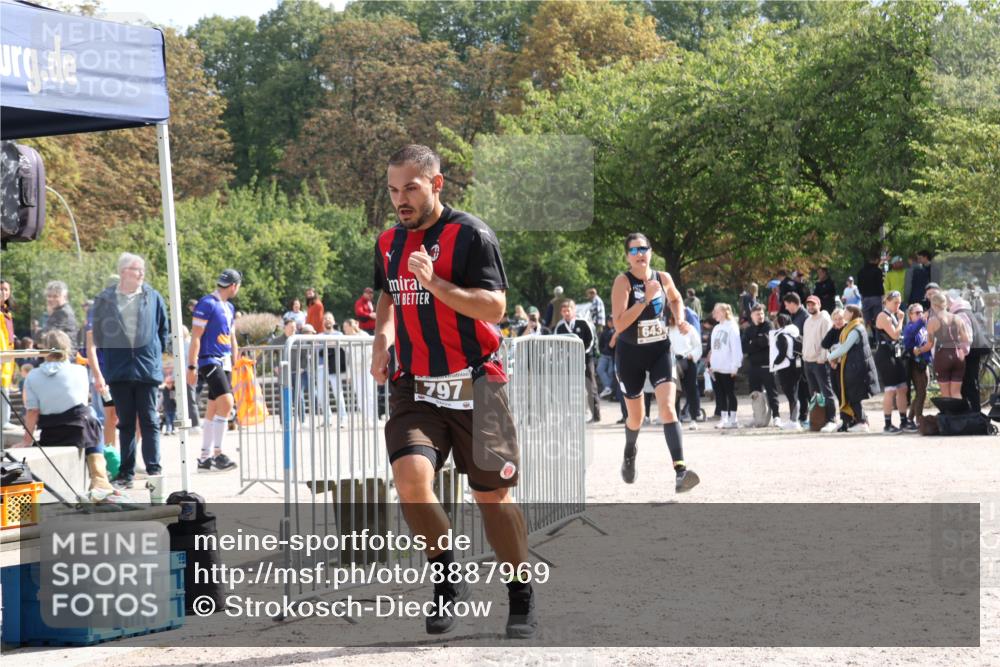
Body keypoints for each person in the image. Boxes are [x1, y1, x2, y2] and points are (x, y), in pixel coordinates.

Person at [372, 144, 536, 638]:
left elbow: (495, 308)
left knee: (494, 500)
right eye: (394, 190)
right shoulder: (387, 243)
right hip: (416, 388)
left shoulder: (470, 235)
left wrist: (437, 285)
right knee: (410, 481)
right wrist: (382, 337)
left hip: (478, 386)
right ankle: (447, 577)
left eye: (411, 189)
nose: (401, 200)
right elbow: (386, 293)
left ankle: (520, 593)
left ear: (436, 184)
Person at [610, 232, 699, 492]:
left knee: (668, 409)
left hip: (660, 350)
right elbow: (619, 323)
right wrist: (645, 300)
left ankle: (681, 471)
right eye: (634, 251)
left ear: (650, 252)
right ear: (627, 256)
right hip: (630, 356)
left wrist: (680, 318)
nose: (640, 254)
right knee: (636, 418)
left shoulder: (663, 278)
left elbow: (675, 298)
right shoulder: (623, 282)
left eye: (643, 249)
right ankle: (630, 451)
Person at [90, 253, 169, 489]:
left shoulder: (153, 296)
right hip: (120, 371)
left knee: (150, 421)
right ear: (124, 272)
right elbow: (100, 335)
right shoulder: (105, 300)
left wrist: (153, 355)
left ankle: (154, 470)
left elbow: (163, 329)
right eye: (137, 269)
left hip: (147, 370)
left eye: (143, 269)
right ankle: (126, 473)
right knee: (124, 423)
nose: (142, 273)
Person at [18, 330, 121, 501]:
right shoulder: (79, 371)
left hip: (51, 435)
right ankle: (100, 479)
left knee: (87, 417)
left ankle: (100, 481)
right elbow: (79, 403)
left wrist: (26, 441)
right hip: (79, 432)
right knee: (91, 415)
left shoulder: (32, 376)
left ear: (43, 349)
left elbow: (32, 412)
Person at [187, 269, 242, 473]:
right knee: (227, 403)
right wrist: (192, 365)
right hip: (209, 360)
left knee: (213, 408)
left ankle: (204, 458)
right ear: (235, 286)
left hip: (225, 360)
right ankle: (218, 454)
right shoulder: (207, 303)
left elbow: (232, 336)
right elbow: (196, 337)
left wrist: (235, 359)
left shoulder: (229, 306)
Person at [828, 305, 880, 432]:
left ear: (851, 313)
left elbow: (845, 347)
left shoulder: (856, 329)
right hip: (853, 367)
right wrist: (834, 350)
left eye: (845, 311)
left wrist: (830, 356)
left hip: (856, 368)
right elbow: (841, 345)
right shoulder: (852, 327)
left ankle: (862, 422)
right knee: (852, 395)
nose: (843, 313)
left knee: (853, 395)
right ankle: (860, 421)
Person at [873, 291, 914, 433]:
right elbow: (895, 334)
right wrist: (902, 320)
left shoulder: (892, 316)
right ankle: (887, 423)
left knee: (903, 388)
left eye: (899, 302)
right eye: (895, 302)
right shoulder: (883, 316)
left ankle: (903, 421)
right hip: (885, 355)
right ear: (887, 302)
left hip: (895, 353)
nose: (898, 305)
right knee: (890, 389)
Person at [553, 299, 600, 423]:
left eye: (568, 310)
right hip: (568, 361)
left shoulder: (583, 323)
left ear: (574, 310)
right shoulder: (560, 326)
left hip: (585, 358)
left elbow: (591, 340)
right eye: (563, 311)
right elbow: (556, 343)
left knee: (590, 385)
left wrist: (580, 353)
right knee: (569, 387)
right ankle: (571, 414)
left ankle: (596, 415)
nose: (566, 313)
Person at [921, 292, 969, 400]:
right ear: (946, 303)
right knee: (956, 392)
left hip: (943, 356)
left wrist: (919, 350)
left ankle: (949, 416)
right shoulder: (957, 318)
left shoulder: (932, 322)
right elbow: (966, 339)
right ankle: (958, 416)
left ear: (933, 305)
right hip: (958, 355)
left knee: (946, 394)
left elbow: (929, 344)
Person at [802, 296, 838, 432]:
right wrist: (805, 356)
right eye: (808, 305)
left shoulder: (825, 319)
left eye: (813, 304)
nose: (810, 307)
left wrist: (822, 358)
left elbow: (826, 340)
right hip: (808, 361)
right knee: (814, 394)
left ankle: (831, 419)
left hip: (820, 362)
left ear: (819, 304)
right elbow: (806, 340)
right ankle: (818, 419)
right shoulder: (807, 321)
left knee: (826, 391)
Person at [743, 304, 781, 426]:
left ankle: (776, 417)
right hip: (754, 366)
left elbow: (766, 341)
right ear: (752, 315)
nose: (760, 316)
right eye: (758, 314)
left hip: (767, 366)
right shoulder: (748, 329)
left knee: (771, 392)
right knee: (755, 394)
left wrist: (752, 342)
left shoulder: (769, 325)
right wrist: (757, 342)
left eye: (762, 314)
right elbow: (744, 347)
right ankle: (758, 418)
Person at [707, 303, 742, 429]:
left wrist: (735, 366)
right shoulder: (716, 328)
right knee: (719, 394)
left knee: (729, 393)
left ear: (723, 312)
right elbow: (714, 349)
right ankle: (723, 418)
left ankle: (733, 419)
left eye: (716, 311)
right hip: (717, 367)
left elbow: (736, 348)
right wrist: (711, 364)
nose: (714, 314)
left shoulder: (732, 327)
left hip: (728, 367)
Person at [666, 308, 702, 428]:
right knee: (675, 392)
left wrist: (692, 356)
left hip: (688, 361)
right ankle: (677, 420)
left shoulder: (690, 328)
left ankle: (694, 418)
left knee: (691, 390)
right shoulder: (668, 329)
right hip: (673, 362)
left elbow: (698, 346)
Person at [770, 313, 804, 431]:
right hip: (796, 367)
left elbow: (782, 354)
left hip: (786, 369)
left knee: (791, 395)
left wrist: (774, 363)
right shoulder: (794, 334)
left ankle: (793, 420)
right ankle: (794, 419)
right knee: (795, 394)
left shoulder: (781, 335)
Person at [782, 293, 810, 425]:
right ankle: (803, 416)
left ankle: (808, 416)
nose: (786, 308)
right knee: (801, 388)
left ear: (793, 303)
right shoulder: (796, 316)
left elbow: (805, 338)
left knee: (805, 387)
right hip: (797, 357)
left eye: (787, 305)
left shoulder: (804, 317)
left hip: (804, 357)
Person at [902, 303, 931, 428]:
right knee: (921, 392)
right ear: (910, 315)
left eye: (921, 312)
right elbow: (912, 334)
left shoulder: (924, 326)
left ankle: (910, 418)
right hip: (914, 363)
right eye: (917, 313)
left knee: (921, 392)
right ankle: (918, 419)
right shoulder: (909, 327)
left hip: (924, 363)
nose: (920, 315)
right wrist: (922, 320)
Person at [342, 318, 377, 417]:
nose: (344, 329)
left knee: (369, 393)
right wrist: (349, 374)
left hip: (366, 367)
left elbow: (369, 352)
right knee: (360, 395)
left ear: (351, 326)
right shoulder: (346, 339)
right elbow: (348, 359)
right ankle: (366, 417)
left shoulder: (363, 335)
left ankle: (373, 416)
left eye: (345, 327)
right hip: (355, 370)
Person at [42, 280, 78, 350]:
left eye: (55, 296)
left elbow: (46, 337)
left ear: (65, 297)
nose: (51, 299)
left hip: (62, 356)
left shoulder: (62, 313)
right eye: (49, 296)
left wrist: (51, 314)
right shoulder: (60, 311)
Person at [0, 279, 14, 431]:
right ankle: (3, 421)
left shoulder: (6, 311)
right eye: (0, 289)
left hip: (8, 355)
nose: (3, 292)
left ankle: (5, 420)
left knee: (5, 387)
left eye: (5, 289)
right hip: (1, 355)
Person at [597, 316, 618, 399]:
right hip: (605, 355)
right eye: (610, 321)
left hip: (613, 355)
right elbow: (600, 343)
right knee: (600, 369)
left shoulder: (617, 330)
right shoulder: (604, 331)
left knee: (611, 372)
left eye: (612, 321)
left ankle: (609, 390)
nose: (611, 322)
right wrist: (602, 351)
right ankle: (608, 387)